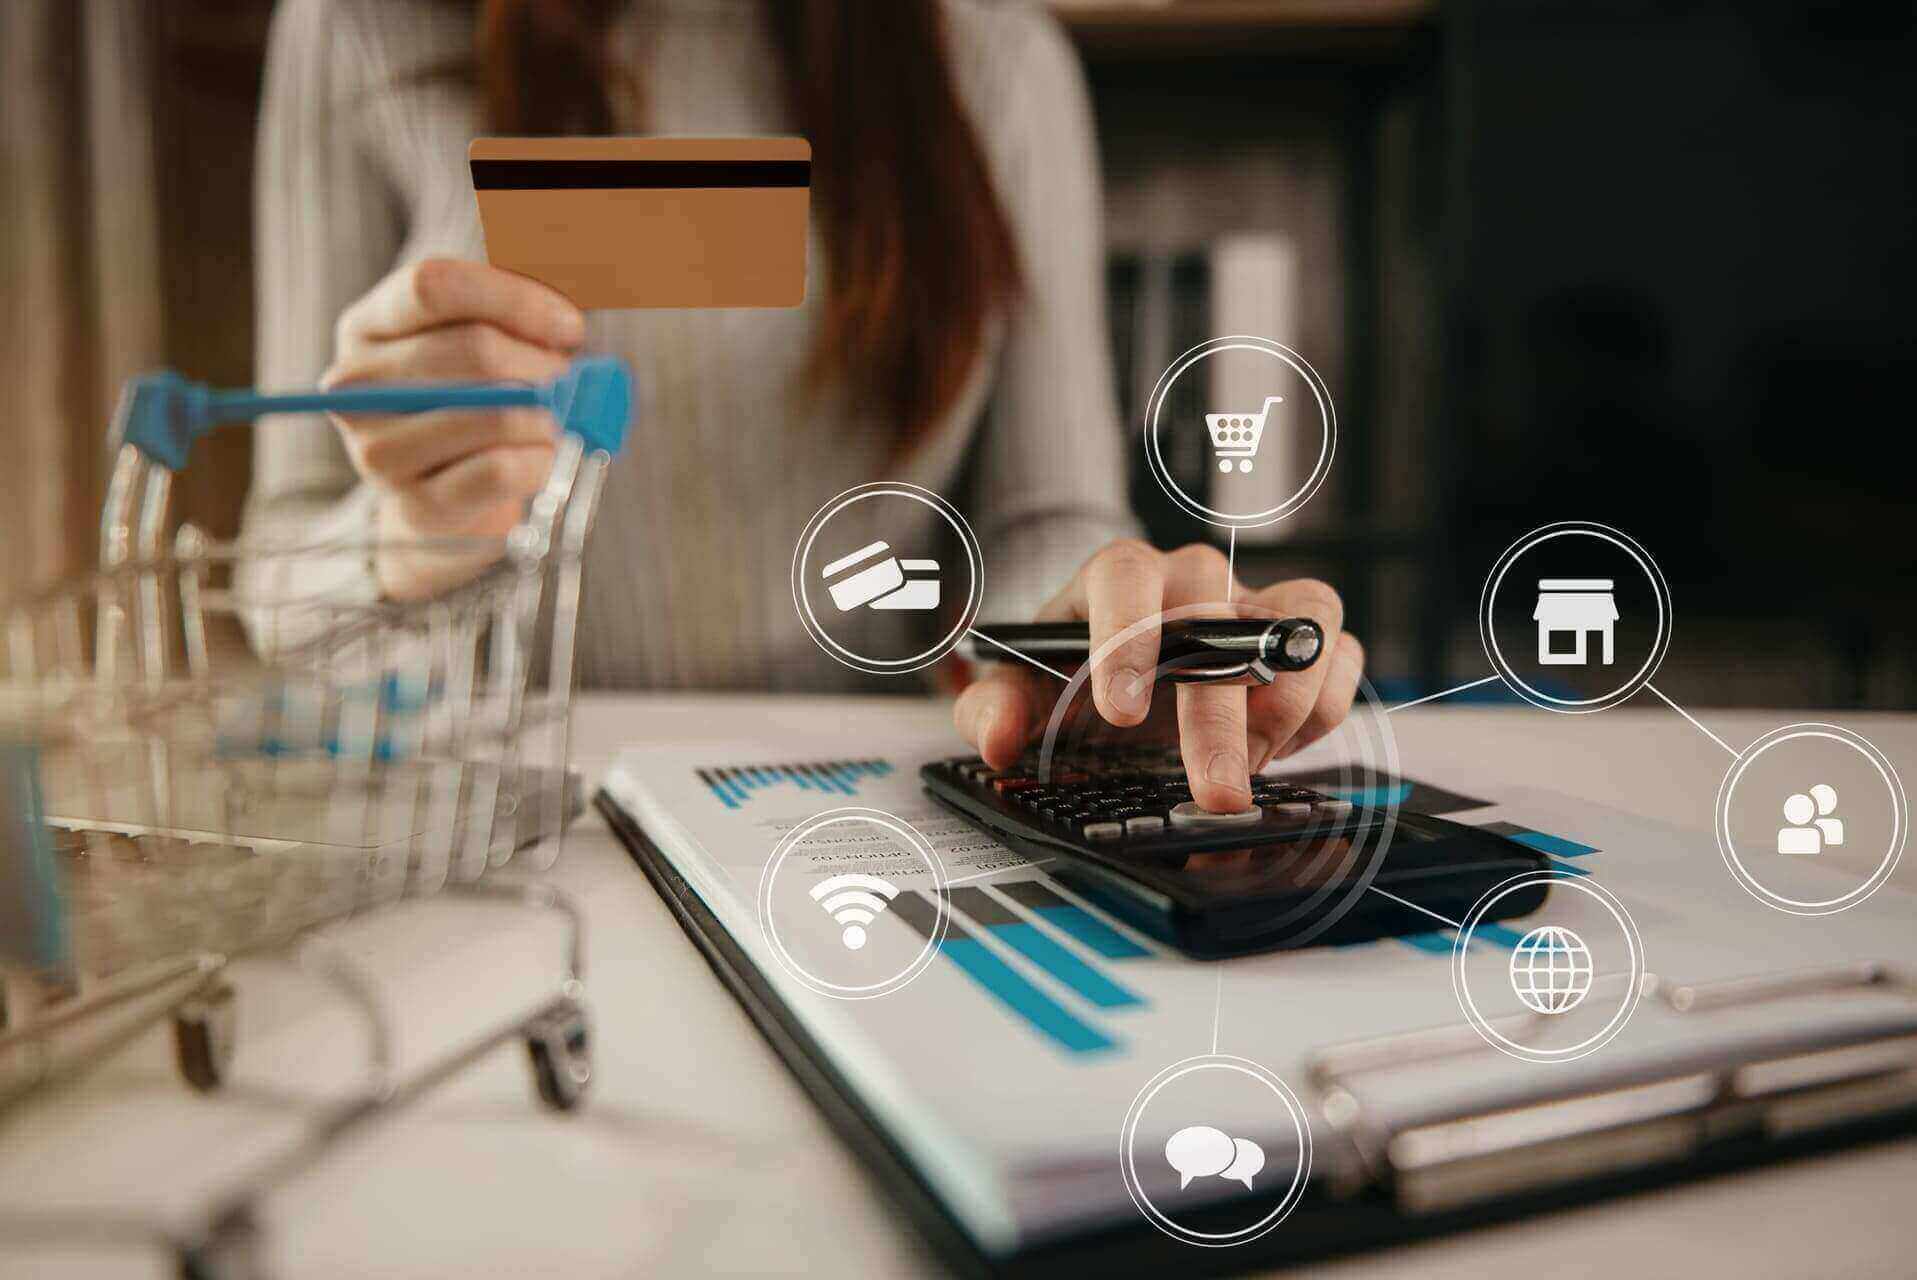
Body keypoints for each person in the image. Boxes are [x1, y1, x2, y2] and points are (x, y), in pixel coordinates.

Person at [245, 0, 1365, 814]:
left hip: (865, 806)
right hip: (496, 822)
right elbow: (277, 579)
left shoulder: (995, 58)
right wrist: (396, 542)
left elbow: (1047, 519)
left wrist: (1101, 640)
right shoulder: (356, 28)